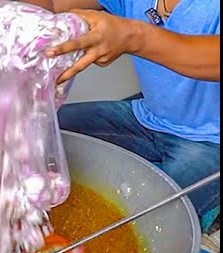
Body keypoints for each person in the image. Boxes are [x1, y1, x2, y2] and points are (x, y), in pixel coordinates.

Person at [27, 0, 220, 229]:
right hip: (147, 118)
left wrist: (133, 37)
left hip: (212, 141)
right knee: (43, 135)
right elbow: (49, 6)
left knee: (150, 221)